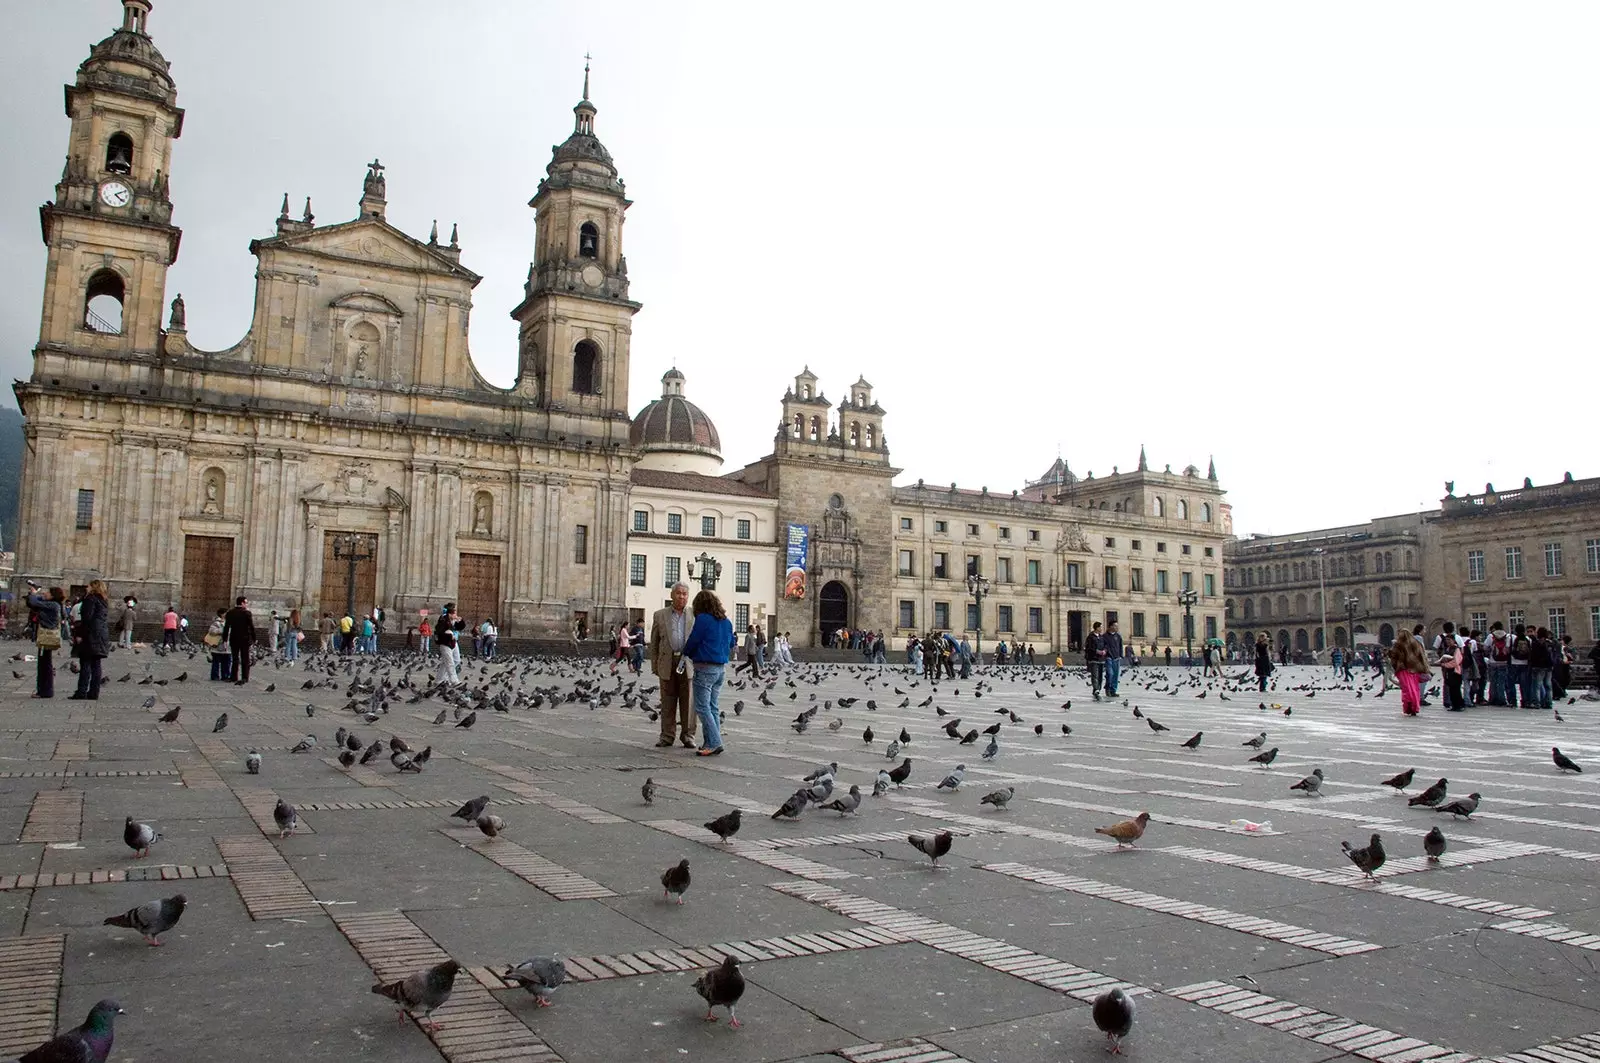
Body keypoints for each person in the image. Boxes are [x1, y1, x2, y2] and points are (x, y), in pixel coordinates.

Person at [683, 588, 735, 757]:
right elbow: (731, 642)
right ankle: (710, 742)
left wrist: (687, 652)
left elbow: (694, 639)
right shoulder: (726, 622)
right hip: (720, 669)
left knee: (702, 707)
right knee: (712, 706)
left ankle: (715, 742)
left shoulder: (703, 619)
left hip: (705, 667)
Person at [650, 583, 696, 749]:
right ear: (671, 595)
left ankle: (688, 736)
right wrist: (655, 665)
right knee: (667, 701)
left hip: (688, 663)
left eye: (684, 594)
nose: (681, 597)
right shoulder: (660, 615)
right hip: (668, 662)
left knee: (689, 702)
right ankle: (667, 736)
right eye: (678, 593)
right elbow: (654, 643)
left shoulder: (694, 615)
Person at [70, 580, 112, 700]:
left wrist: (80, 634)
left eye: (88, 586)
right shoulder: (103, 600)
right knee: (96, 664)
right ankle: (94, 693)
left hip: (90, 634)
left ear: (94, 587)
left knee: (86, 663)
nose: (86, 587)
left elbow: (87, 619)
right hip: (101, 634)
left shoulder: (91, 599)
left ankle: (81, 692)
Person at [27, 586, 66, 699]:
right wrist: (32, 595)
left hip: (46, 637)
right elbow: (33, 604)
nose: (45, 593)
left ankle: (45, 691)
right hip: (45, 636)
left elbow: (35, 602)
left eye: (48, 592)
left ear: (53, 595)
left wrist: (34, 593)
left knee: (44, 665)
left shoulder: (53, 605)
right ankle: (44, 690)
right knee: (44, 663)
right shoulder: (53, 604)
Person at [1389, 626, 1432, 716]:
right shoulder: (1416, 644)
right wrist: (1424, 668)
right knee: (1414, 689)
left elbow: (1393, 657)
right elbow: (1422, 656)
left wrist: (1395, 667)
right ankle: (1415, 707)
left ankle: (1408, 707)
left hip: (1403, 670)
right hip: (1415, 669)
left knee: (1406, 689)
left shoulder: (1398, 645)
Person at [222, 596, 256, 686]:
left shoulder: (230, 613)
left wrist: (225, 639)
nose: (246, 604)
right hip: (245, 639)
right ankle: (245, 677)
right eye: (246, 602)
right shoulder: (247, 613)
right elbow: (251, 627)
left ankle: (234, 676)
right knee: (245, 659)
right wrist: (254, 638)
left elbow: (226, 627)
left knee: (235, 658)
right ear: (242, 603)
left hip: (234, 638)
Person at [1435, 625, 1464, 710]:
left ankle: (1458, 705)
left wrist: (1445, 665)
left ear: (1453, 640)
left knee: (1456, 689)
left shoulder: (1456, 649)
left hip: (1455, 671)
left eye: (1449, 640)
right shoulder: (1448, 649)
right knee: (1451, 689)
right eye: (1447, 640)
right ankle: (1454, 705)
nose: (1448, 642)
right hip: (1449, 672)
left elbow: (1456, 661)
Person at [1483, 621, 1512, 705]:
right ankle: (1502, 699)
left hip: (1493, 661)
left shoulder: (1491, 636)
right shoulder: (1507, 636)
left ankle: (1492, 699)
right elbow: (1508, 648)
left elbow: (1485, 647)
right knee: (1502, 682)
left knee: (1493, 681)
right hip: (1504, 662)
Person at [1529, 627, 1556, 710]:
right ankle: (1549, 702)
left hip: (1539, 666)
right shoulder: (1550, 643)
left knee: (1537, 685)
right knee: (1548, 685)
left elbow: (1534, 655)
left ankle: (1537, 703)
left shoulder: (1536, 643)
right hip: (1549, 666)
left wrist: (1533, 665)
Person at [1508, 623, 1533, 708]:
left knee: (1511, 683)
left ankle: (1513, 701)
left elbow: (1508, 650)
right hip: (1525, 663)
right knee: (1524, 683)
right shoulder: (1528, 639)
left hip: (1514, 662)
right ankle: (1525, 701)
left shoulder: (1511, 638)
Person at [205, 608, 230, 681]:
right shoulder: (217, 622)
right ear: (222, 614)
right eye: (226, 613)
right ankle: (215, 676)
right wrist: (222, 630)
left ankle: (225, 675)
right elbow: (211, 631)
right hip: (218, 645)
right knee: (216, 662)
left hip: (227, 646)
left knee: (227, 662)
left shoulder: (230, 622)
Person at [435, 614, 458, 686]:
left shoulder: (453, 621)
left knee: (455, 660)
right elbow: (439, 636)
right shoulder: (444, 621)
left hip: (454, 642)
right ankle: (453, 680)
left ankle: (439, 679)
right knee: (449, 662)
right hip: (446, 644)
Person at [1085, 621, 1106, 700]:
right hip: (1093, 659)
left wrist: (1104, 650)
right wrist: (1097, 651)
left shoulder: (1101, 637)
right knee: (1095, 675)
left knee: (1100, 675)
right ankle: (1096, 688)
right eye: (1100, 627)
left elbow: (1105, 645)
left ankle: (1098, 689)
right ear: (1097, 628)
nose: (1101, 629)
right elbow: (1088, 648)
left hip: (1101, 659)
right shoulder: (1090, 637)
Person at [1103, 621, 1124, 697]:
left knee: (1115, 675)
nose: (1116, 627)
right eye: (1115, 626)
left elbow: (1120, 646)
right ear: (1110, 626)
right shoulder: (1105, 636)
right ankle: (1108, 688)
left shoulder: (1118, 636)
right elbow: (1103, 646)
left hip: (1116, 658)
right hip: (1108, 657)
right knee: (1110, 674)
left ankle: (1113, 690)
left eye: (1117, 626)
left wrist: (1121, 655)